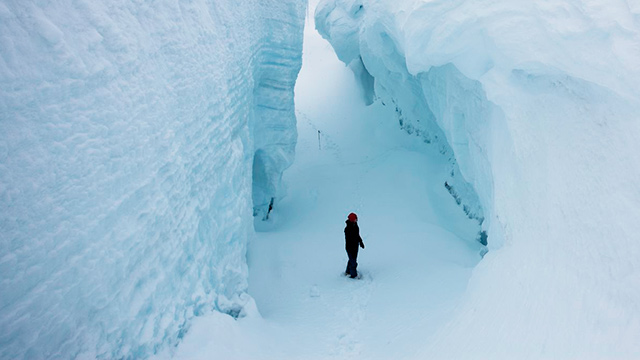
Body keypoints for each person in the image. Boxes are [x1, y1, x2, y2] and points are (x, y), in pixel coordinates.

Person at [344, 212, 365, 278]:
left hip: (355, 246)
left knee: (352, 260)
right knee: (353, 262)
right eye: (355, 219)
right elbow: (350, 239)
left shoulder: (355, 226)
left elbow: (357, 235)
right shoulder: (347, 229)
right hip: (350, 248)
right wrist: (353, 246)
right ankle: (354, 275)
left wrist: (361, 242)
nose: (356, 220)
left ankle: (348, 271)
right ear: (352, 220)